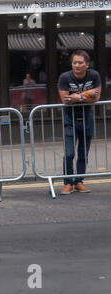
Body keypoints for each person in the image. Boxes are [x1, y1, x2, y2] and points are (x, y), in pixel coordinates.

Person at [58, 50, 101, 195]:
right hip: (69, 119)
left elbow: (96, 98)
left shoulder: (94, 75)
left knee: (83, 153)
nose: (77, 65)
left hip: (87, 117)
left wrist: (77, 97)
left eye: (80, 62)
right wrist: (87, 94)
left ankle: (79, 181)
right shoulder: (64, 77)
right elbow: (65, 100)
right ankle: (68, 183)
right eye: (74, 62)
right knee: (69, 153)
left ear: (87, 64)